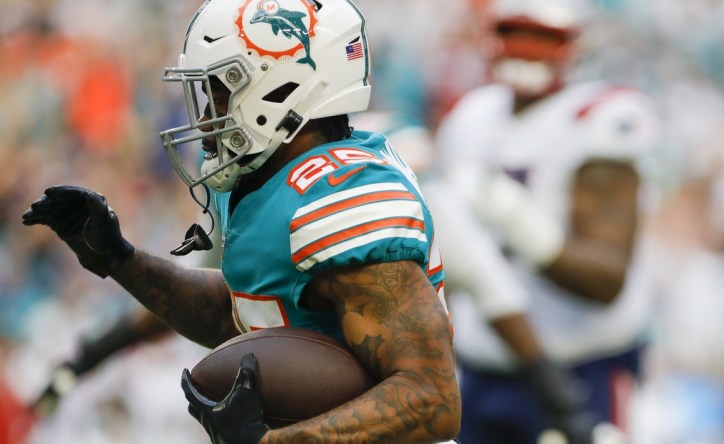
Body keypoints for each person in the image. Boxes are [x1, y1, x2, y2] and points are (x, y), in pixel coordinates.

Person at [22, 0, 461, 443]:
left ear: (281, 89)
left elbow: (431, 399)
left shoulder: (342, 197)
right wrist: (121, 260)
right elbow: (244, 313)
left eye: (217, 93)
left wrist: (269, 442)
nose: (206, 118)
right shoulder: (271, 179)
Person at [432, 0, 661, 442]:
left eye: (543, 37)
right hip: (479, 367)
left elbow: (605, 279)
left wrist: (508, 212)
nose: (526, 49)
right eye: (516, 32)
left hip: (579, 368)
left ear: (575, 44)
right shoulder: (470, 116)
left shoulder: (600, 118)